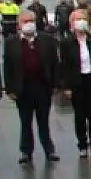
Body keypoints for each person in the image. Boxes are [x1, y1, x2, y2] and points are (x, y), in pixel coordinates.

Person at [3, 10, 60, 164]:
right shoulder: (11, 42)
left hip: (42, 87)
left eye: (31, 21)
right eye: (25, 21)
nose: (29, 24)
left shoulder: (47, 40)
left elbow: (55, 64)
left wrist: (55, 84)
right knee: (25, 121)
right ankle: (26, 152)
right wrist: (10, 89)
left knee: (43, 121)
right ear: (19, 24)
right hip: (22, 89)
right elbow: (8, 68)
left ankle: (49, 150)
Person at [59, 10, 91, 158]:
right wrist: (66, 86)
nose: (81, 21)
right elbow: (64, 66)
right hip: (77, 82)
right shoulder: (66, 42)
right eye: (78, 19)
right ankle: (82, 145)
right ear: (72, 23)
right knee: (80, 116)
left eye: (83, 18)